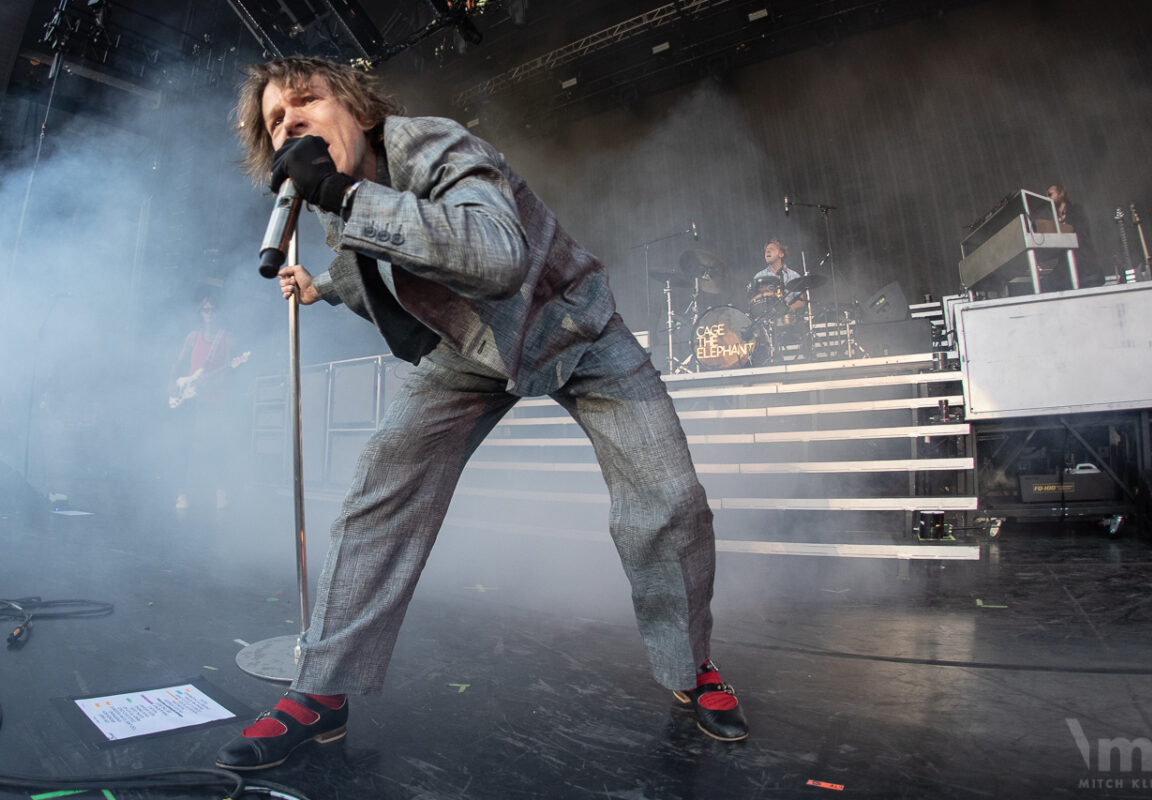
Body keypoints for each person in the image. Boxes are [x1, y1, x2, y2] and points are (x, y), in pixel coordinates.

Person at [215, 56, 749, 771]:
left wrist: (344, 194)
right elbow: (368, 268)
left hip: (572, 326)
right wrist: (319, 287)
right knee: (381, 489)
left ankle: (691, 668)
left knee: (668, 499)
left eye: (304, 101)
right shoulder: (339, 206)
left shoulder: (433, 145)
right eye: (276, 120)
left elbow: (495, 254)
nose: (291, 123)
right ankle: (322, 692)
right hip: (469, 350)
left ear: (356, 110)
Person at [167, 294, 245, 511]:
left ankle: (221, 492)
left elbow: (232, 369)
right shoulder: (193, 337)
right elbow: (178, 362)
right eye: (206, 310)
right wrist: (172, 381)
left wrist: (220, 379)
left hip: (215, 400)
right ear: (201, 313)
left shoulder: (228, 338)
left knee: (213, 446)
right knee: (186, 446)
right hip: (191, 398)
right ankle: (183, 493)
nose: (209, 314)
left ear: (220, 313)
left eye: (213, 310)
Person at [748, 238, 807, 320]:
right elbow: (752, 302)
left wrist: (787, 310)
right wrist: (768, 295)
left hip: (790, 320)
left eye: (771, 249)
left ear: (781, 254)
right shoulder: (759, 276)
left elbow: (801, 303)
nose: (767, 252)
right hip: (767, 322)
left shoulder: (794, 276)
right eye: (766, 251)